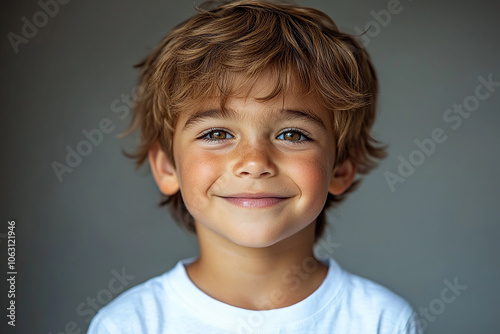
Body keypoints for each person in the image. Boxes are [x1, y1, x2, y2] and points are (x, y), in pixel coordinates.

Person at [88, 0, 422, 332]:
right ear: (166, 168)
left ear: (341, 167)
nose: (254, 162)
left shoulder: (383, 321)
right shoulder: (127, 325)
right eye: (217, 133)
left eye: (292, 134)